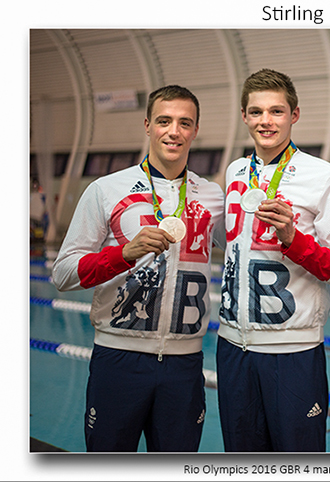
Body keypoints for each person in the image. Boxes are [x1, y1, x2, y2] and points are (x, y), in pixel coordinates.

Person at [52, 85, 225, 452]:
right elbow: (62, 273)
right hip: (119, 359)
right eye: (164, 121)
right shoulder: (106, 189)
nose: (174, 131)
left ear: (195, 130)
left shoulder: (212, 196)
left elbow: (246, 246)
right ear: (147, 125)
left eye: (184, 123)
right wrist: (123, 254)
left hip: (184, 364)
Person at [217, 69, 330, 452]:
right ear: (244, 116)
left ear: (294, 115)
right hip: (233, 346)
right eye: (256, 112)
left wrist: (293, 238)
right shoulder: (236, 171)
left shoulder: (324, 176)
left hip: (292, 351)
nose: (266, 121)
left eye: (276, 111)